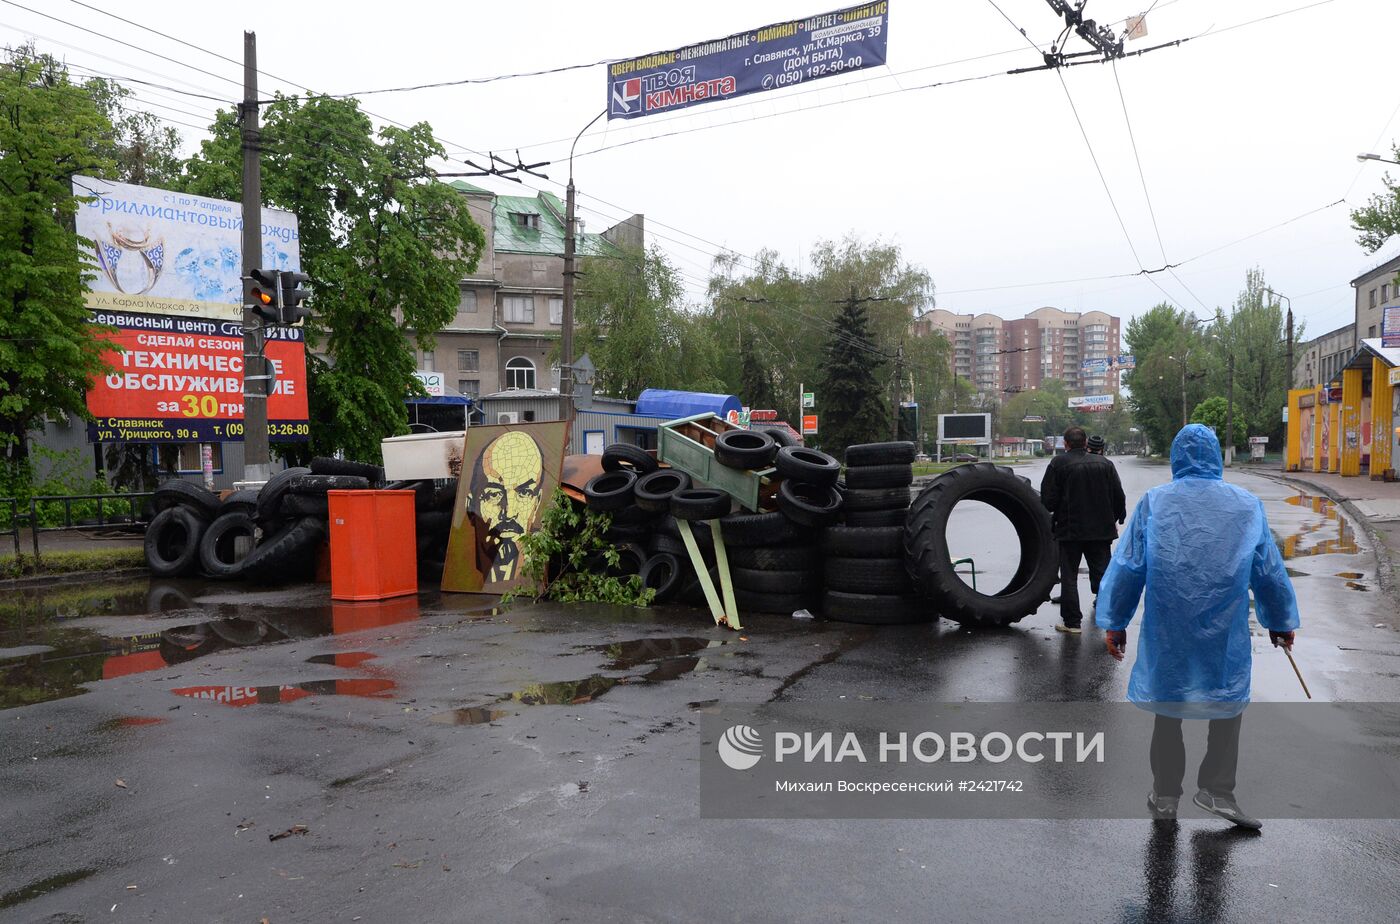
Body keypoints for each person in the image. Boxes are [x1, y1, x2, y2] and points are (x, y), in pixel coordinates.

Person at [1097, 424, 1300, 829]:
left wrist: (1114, 622)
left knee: (1168, 707)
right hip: (1224, 628)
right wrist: (1279, 622)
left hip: (1169, 627)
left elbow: (1128, 566)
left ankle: (1166, 795)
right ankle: (1217, 790)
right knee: (1227, 700)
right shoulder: (1246, 505)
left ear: (1176, 457)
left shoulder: (1156, 503)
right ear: (1213, 457)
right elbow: (1269, 571)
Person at [1039, 426, 1127, 633]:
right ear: (1086, 443)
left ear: (1066, 444)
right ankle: (1108, 619)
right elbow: (1118, 495)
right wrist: (1115, 517)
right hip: (1101, 531)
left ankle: (1072, 623)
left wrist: (1059, 509)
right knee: (1103, 574)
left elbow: (1048, 500)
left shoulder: (1058, 464)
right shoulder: (1105, 464)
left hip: (1070, 531)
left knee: (1069, 577)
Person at [467, 430, 544, 584]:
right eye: (494, 494)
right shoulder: (462, 578)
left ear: (536, 504)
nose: (509, 512)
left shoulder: (534, 579)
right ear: (471, 505)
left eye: (524, 492)